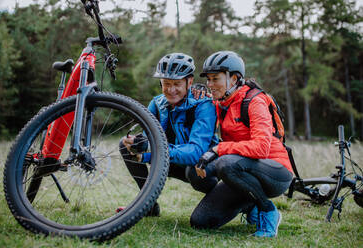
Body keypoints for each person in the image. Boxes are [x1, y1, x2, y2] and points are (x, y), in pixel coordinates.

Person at [191, 51, 294, 238]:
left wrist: (219, 149)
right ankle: (249, 204)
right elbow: (199, 124)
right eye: (208, 80)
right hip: (240, 167)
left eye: (215, 79)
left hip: (275, 171)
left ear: (235, 78)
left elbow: (261, 148)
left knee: (225, 163)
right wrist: (195, 98)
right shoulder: (219, 102)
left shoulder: (254, 101)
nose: (210, 85)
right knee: (200, 218)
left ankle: (268, 211)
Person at [119, 52, 218, 216]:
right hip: (173, 160)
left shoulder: (204, 105)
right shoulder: (156, 104)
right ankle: (147, 204)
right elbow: (148, 142)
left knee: (193, 172)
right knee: (125, 145)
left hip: (205, 165)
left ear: (190, 81)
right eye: (166, 83)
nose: (171, 90)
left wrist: (154, 149)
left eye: (177, 84)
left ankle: (233, 200)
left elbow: (196, 152)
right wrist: (139, 151)